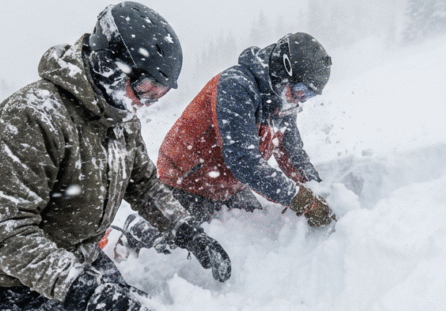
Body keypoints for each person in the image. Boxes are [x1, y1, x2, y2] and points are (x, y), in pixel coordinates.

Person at [0, 2, 231, 311]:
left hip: (82, 255)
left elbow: (142, 185)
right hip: (17, 273)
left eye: (157, 95)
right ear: (110, 64)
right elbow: (2, 230)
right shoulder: (33, 116)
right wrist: (89, 294)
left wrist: (188, 232)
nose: (144, 104)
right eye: (143, 88)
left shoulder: (120, 119)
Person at [121, 32, 335, 254]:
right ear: (283, 71)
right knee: (175, 247)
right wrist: (300, 198)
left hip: (227, 184)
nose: (301, 99)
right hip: (188, 179)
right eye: (301, 90)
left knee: (253, 231)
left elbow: (292, 154)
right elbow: (244, 162)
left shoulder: (282, 102)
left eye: (308, 95)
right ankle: (136, 231)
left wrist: (316, 189)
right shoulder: (236, 86)